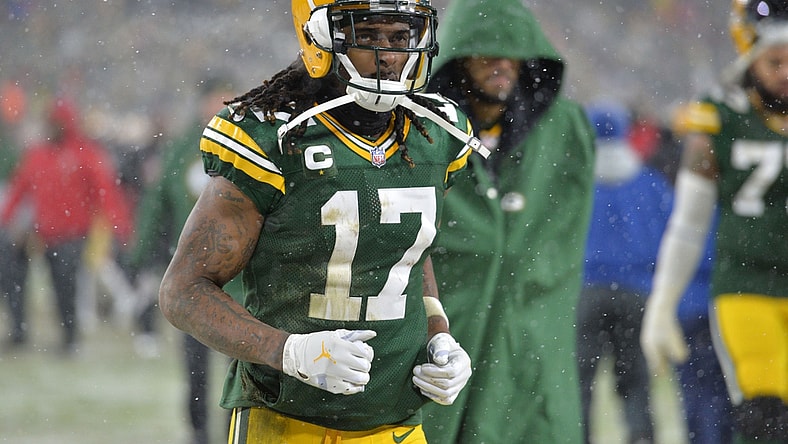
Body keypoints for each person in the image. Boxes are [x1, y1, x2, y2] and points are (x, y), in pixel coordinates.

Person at [158, 1, 487, 442]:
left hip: (396, 422)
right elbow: (183, 291)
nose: (389, 56)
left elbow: (407, 249)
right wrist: (289, 351)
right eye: (368, 35)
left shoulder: (433, 133)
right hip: (287, 419)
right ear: (321, 36)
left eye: (400, 37)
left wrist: (438, 334)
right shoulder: (274, 137)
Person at [419, 0, 596, 442]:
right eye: (486, 53)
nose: (501, 65)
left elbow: (557, 239)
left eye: (511, 53)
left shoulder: (563, 129)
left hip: (529, 333)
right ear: (458, 60)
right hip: (446, 324)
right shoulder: (424, 131)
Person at [640, 1, 788, 443]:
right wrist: (663, 303)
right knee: (766, 415)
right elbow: (689, 223)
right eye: (775, 61)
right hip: (747, 285)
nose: (785, 72)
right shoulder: (720, 116)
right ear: (749, 57)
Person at [128, 76, 240, 444]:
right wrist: (140, 255)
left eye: (228, 99)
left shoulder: (249, 144)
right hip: (193, 278)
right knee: (195, 367)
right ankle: (197, 432)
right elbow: (156, 205)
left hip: (240, 279)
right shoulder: (180, 150)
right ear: (201, 103)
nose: (221, 107)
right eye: (215, 100)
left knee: (238, 367)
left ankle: (232, 433)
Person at [0, 96, 133, 355]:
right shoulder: (38, 155)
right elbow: (19, 190)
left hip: (72, 235)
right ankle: (19, 331)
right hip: (42, 233)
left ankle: (69, 338)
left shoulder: (84, 154)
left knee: (65, 284)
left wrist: (120, 227)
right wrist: (6, 221)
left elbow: (106, 193)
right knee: (17, 276)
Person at [576, 100, 666, 444]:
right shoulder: (648, 180)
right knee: (635, 379)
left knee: (580, 379)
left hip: (586, 290)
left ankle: (578, 435)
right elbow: (669, 231)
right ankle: (641, 437)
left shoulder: (579, 180)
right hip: (638, 290)